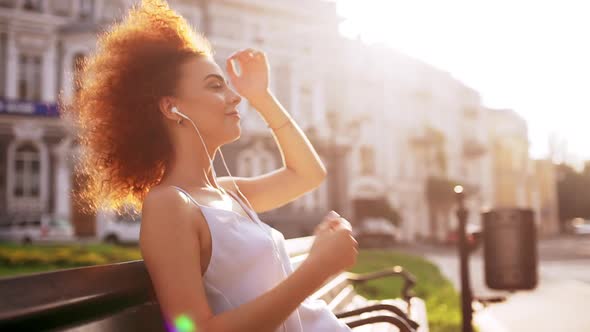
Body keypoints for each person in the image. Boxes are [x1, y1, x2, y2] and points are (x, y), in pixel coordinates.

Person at [64, 0, 358, 331]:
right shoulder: (170, 205)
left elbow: (308, 174)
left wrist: (261, 96)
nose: (235, 97)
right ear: (172, 108)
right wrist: (317, 269)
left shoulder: (228, 192)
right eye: (215, 86)